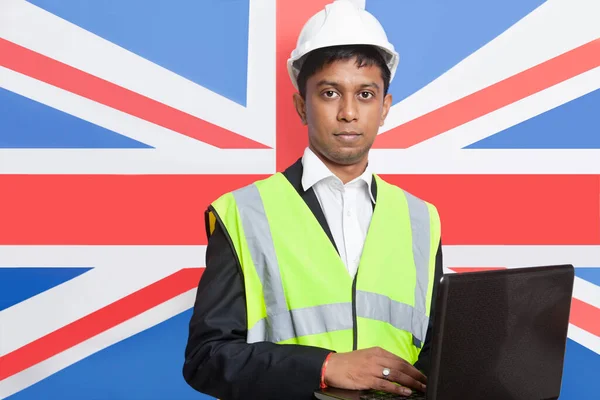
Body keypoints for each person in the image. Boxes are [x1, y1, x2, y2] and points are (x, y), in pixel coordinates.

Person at [183, 1, 443, 399]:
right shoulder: (243, 214)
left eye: (366, 94)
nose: (349, 112)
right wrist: (324, 366)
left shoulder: (422, 219)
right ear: (302, 106)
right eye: (329, 93)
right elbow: (207, 359)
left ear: (385, 107)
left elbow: (436, 358)